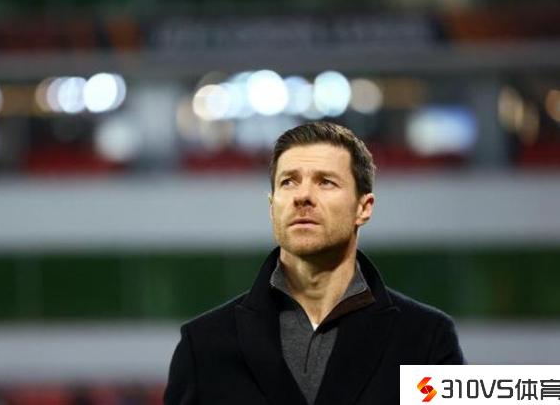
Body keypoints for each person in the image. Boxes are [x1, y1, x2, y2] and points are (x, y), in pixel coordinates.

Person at [164, 121, 464, 405]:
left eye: (326, 182)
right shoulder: (202, 345)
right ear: (272, 207)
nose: (303, 196)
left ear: (363, 208)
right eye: (288, 182)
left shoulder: (427, 339)